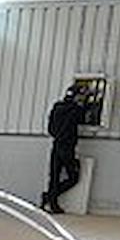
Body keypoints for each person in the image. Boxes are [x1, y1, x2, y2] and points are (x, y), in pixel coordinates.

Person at [42, 85, 88, 214]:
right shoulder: (75, 109)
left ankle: (50, 199)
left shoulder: (57, 107)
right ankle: (50, 197)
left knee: (54, 176)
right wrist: (84, 104)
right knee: (73, 177)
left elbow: (50, 129)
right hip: (67, 146)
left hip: (56, 144)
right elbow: (83, 118)